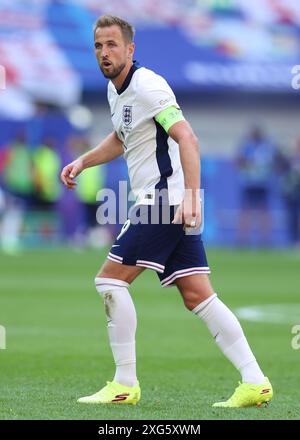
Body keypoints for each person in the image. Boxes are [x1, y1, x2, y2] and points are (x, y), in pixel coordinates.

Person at [60, 15, 273, 408]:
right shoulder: (117, 91)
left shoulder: (148, 86)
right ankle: (255, 381)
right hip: (167, 200)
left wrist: (192, 197)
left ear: (130, 49)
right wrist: (83, 162)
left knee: (110, 282)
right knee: (198, 295)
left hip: (165, 200)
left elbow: (187, 136)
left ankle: (124, 384)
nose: (104, 53)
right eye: (98, 46)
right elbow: (122, 137)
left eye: (112, 45)